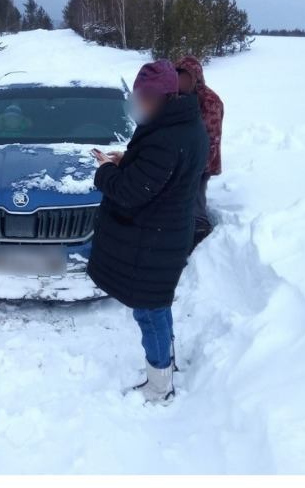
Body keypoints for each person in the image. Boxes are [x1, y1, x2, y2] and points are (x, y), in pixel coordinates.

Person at [87, 59, 208, 405]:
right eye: (136, 97)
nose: (138, 105)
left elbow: (130, 191)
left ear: (162, 97)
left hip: (154, 240)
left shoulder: (166, 138)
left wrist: (105, 172)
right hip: (166, 233)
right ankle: (167, 366)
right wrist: (126, 160)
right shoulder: (183, 124)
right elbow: (163, 173)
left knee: (149, 311)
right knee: (158, 304)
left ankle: (159, 385)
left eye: (144, 98)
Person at [174, 55, 224, 249]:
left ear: (196, 78)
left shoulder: (209, 101)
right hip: (184, 160)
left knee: (196, 204)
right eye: (179, 77)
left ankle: (200, 243)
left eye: (185, 77)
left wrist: (198, 167)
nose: (181, 81)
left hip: (201, 164)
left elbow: (212, 139)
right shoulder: (182, 97)